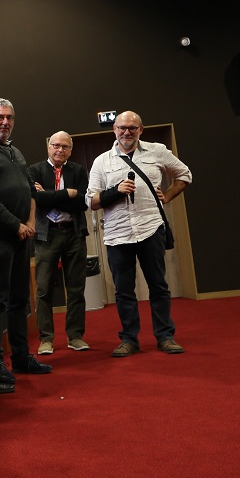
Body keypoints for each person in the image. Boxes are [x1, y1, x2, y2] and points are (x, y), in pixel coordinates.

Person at [87, 111, 192, 357]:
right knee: (124, 291)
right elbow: (91, 201)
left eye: (132, 128)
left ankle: (165, 337)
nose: (127, 132)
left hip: (150, 228)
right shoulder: (102, 161)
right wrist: (115, 191)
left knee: (158, 286)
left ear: (140, 130)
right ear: (114, 129)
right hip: (117, 234)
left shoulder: (157, 151)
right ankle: (129, 340)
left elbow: (184, 175)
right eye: (122, 128)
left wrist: (168, 196)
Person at [0, 99, 51, 387]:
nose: (5, 122)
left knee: (20, 301)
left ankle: (21, 356)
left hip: (22, 237)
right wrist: (16, 225)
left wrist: (30, 222)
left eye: (9, 117)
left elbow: (30, 191)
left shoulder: (15, 151)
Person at [28, 131, 91, 354]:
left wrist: (51, 196)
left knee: (76, 288)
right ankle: (46, 339)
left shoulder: (78, 171)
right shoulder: (35, 170)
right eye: (55, 145)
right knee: (43, 289)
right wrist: (68, 194)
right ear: (48, 147)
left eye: (64, 147)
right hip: (47, 235)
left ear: (70, 151)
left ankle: (75, 336)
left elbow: (82, 202)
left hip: (74, 233)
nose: (59, 150)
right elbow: (36, 199)